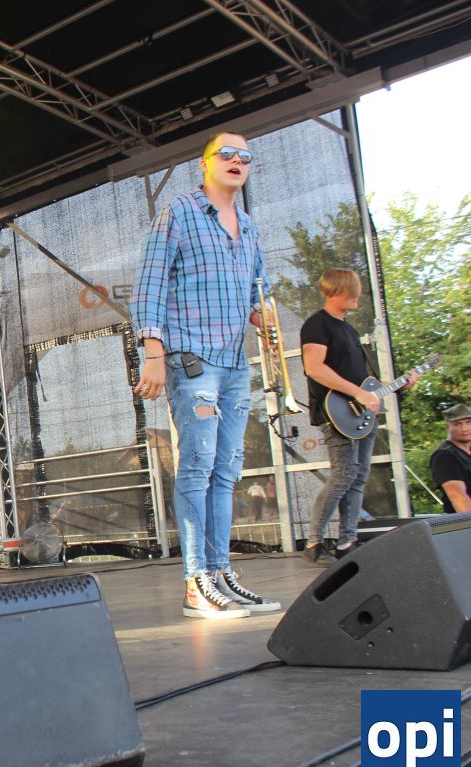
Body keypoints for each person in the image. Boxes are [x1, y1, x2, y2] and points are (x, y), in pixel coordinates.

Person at [131, 131, 280, 619]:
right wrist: (154, 352)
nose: (238, 160)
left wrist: (262, 316)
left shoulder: (250, 227)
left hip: (235, 363)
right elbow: (149, 284)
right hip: (191, 358)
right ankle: (196, 582)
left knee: (226, 469)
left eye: (245, 156)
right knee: (197, 465)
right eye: (227, 153)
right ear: (206, 163)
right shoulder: (179, 212)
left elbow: (257, 290)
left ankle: (220, 573)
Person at [300, 268, 416, 565]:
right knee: (344, 474)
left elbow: (366, 382)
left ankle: (347, 541)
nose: (357, 297)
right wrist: (358, 393)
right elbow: (314, 368)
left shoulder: (349, 330)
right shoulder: (317, 324)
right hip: (336, 412)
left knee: (359, 475)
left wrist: (399, 385)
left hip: (362, 413)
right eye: (351, 292)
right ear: (334, 291)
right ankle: (314, 541)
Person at [430, 404, 471, 513]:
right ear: (447, 427)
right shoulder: (445, 456)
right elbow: (458, 497)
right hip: (464, 521)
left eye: (468, 422)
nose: (465, 429)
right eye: (457, 424)